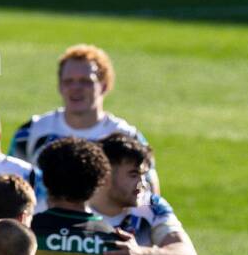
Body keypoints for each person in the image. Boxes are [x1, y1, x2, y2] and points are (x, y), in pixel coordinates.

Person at [10, 44, 155, 188]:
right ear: (60, 86)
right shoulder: (30, 133)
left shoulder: (128, 138)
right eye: (69, 81)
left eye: (86, 81)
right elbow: (11, 188)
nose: (76, 88)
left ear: (104, 86)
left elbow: (149, 197)